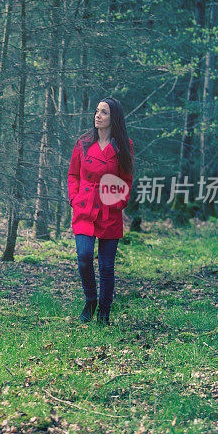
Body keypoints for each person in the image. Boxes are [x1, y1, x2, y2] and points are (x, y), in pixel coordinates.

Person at [67, 98, 133, 325]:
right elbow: (73, 175)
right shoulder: (83, 143)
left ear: (113, 118)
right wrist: (74, 198)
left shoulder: (123, 145)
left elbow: (127, 179)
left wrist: (119, 203)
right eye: (96, 111)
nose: (97, 115)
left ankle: (104, 312)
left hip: (109, 210)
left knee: (106, 266)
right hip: (84, 207)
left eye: (103, 112)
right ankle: (91, 300)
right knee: (84, 257)